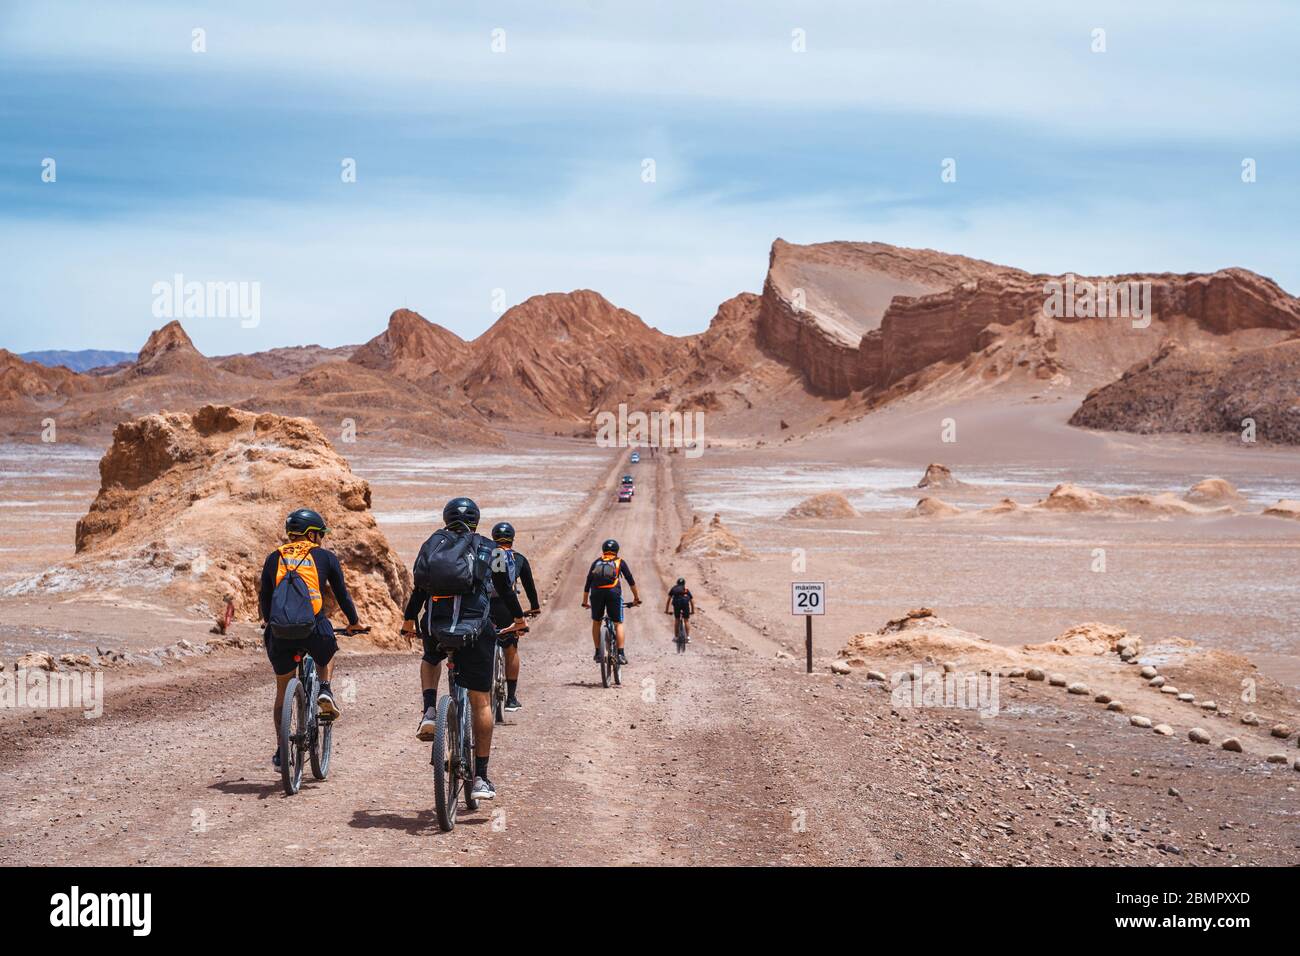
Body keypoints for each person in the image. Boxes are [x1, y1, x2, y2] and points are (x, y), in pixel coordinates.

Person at [401, 497, 525, 801]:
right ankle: (481, 776)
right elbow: (504, 588)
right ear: (476, 521)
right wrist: (519, 618)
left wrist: (408, 619)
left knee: (431, 658)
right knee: (481, 701)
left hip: (437, 624)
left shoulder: (433, 544)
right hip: (475, 628)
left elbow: (419, 587)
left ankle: (430, 709)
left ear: (446, 519)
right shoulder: (491, 548)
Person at [259, 508, 365, 771]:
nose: (322, 538)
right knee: (327, 651)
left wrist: (267, 621)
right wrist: (354, 623)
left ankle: (282, 751)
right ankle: (326, 689)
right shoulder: (325, 557)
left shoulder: (275, 558)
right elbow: (342, 594)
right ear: (312, 534)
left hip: (280, 631)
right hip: (312, 627)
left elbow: (265, 595)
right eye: (320, 534)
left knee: (282, 690)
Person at [487, 521, 541, 712]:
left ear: (493, 538)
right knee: (511, 648)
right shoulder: (518, 559)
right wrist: (534, 607)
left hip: (483, 605)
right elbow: (530, 587)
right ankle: (511, 698)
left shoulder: (486, 555)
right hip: (506, 606)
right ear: (512, 539)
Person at [581, 538, 641, 665]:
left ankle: (598, 652)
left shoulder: (596, 562)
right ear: (617, 550)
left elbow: (588, 583)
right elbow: (631, 581)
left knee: (596, 622)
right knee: (618, 623)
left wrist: (585, 601)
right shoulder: (620, 562)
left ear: (603, 550)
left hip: (596, 593)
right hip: (613, 593)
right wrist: (636, 598)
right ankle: (620, 654)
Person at [664, 577, 694, 641]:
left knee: (677, 619)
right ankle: (688, 637)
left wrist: (666, 610)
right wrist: (692, 611)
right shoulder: (686, 589)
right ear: (684, 584)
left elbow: (668, 600)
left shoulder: (674, 588)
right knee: (686, 620)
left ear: (677, 583)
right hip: (685, 604)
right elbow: (691, 601)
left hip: (677, 604)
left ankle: (676, 637)